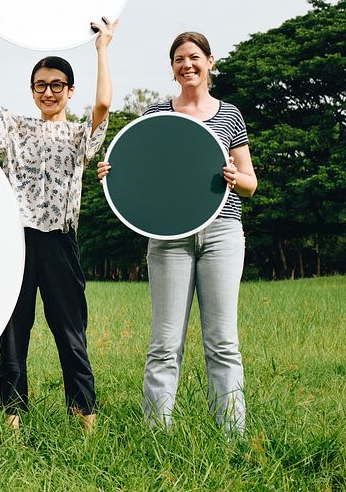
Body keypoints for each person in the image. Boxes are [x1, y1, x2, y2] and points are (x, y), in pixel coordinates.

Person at [98, 31, 256, 434]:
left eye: (194, 57)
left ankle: (231, 434)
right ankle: (157, 434)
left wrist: (236, 177)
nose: (187, 64)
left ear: (210, 62)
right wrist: (113, 174)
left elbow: (252, 182)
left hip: (221, 233)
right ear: (172, 69)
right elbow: (140, 168)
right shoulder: (157, 112)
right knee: (165, 344)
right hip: (168, 237)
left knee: (222, 342)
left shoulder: (229, 114)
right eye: (179, 59)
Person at [0, 9, 116, 433]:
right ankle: (13, 421)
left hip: (60, 242)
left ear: (70, 91)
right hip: (17, 242)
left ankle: (85, 418)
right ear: (33, 91)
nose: (48, 92)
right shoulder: (17, 128)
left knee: (70, 333)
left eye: (57, 85)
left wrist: (102, 49)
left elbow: (105, 103)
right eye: (41, 86)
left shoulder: (79, 137)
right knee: (14, 335)